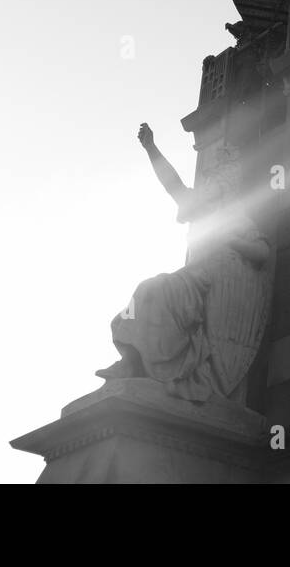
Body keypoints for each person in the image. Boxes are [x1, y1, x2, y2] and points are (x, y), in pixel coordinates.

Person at [96, 125, 273, 404]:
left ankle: (149, 365)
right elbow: (172, 184)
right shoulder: (199, 212)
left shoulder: (237, 219)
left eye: (212, 183)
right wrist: (152, 149)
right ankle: (132, 360)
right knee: (149, 290)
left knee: (155, 289)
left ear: (226, 188)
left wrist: (231, 241)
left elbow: (262, 252)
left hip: (205, 284)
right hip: (192, 280)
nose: (205, 186)